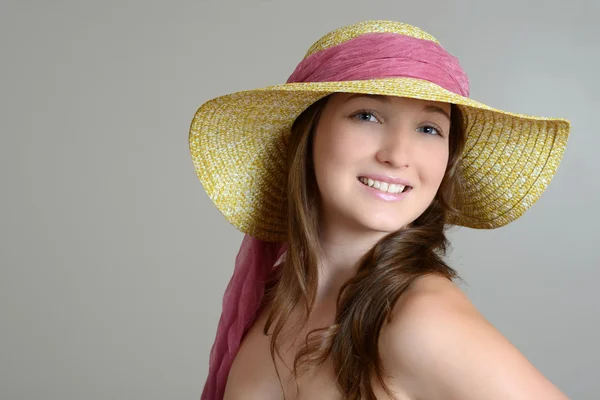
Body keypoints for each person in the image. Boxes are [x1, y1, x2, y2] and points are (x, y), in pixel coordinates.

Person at [189, 20, 571, 400]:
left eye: (429, 128)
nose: (397, 156)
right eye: (367, 115)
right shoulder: (272, 304)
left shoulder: (420, 320)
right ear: (308, 134)